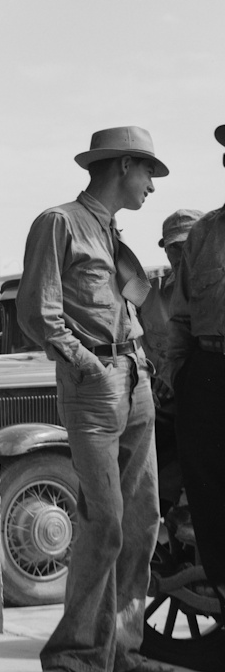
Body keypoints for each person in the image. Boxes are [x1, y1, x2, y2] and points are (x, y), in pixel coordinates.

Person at [18, 126, 169, 672]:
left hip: (136, 380)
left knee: (140, 521)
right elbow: (38, 311)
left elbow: (138, 307)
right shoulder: (58, 222)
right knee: (103, 519)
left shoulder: (114, 234)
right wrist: (89, 364)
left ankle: (120, 649)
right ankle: (74, 654)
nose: (152, 186)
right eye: (148, 172)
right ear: (123, 165)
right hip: (96, 382)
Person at [166, 124, 225, 611]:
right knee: (209, 496)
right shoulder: (205, 232)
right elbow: (180, 317)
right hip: (208, 372)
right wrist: (183, 377)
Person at [142, 209, 200, 517]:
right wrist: (145, 377)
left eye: (186, 245)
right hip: (156, 397)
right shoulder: (148, 287)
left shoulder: (213, 290)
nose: (178, 254)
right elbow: (116, 317)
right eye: (171, 247)